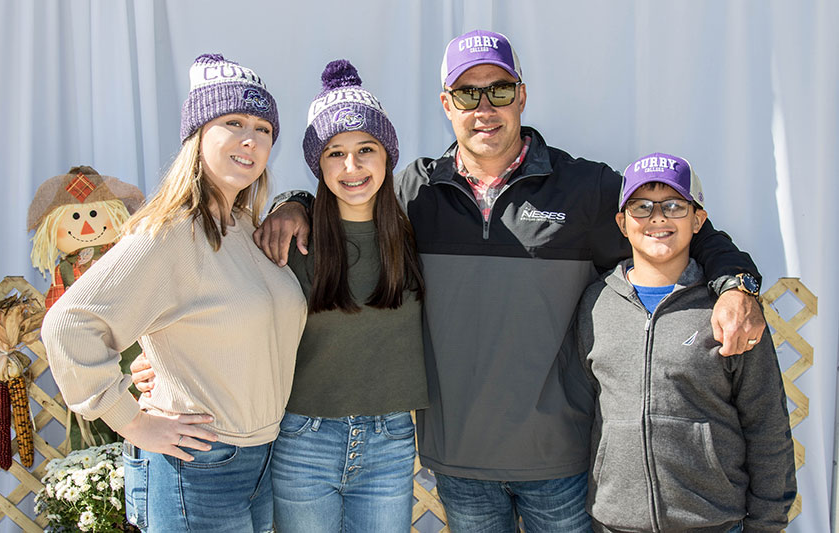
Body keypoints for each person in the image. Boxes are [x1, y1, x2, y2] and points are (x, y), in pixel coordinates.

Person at [256, 30, 766, 532]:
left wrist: (737, 283)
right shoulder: (415, 192)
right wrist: (293, 204)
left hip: (559, 460)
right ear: (446, 104)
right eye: (466, 93)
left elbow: (674, 230)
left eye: (498, 90)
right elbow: (348, 200)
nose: (484, 108)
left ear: (521, 95)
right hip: (459, 461)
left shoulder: (585, 189)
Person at [133, 59, 428, 532]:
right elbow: (229, 313)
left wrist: (291, 199)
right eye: (334, 153)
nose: (351, 167)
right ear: (317, 164)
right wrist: (158, 365)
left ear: (388, 156)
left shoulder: (419, 235)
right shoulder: (287, 242)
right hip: (301, 436)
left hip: (389, 437)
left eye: (366, 149)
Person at [41, 53, 307, 533]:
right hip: (198, 465)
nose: (250, 138)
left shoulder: (246, 227)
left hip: (263, 456)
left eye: (264, 128)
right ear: (198, 135)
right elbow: (69, 323)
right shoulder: (170, 234)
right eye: (233, 122)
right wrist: (132, 422)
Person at [575, 153, 796, 532]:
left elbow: (767, 424)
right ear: (622, 223)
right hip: (614, 523)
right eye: (641, 206)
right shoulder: (595, 304)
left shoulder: (733, 312)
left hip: (714, 522)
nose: (657, 217)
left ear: (698, 220)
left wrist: (767, 523)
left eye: (674, 205)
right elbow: (582, 411)